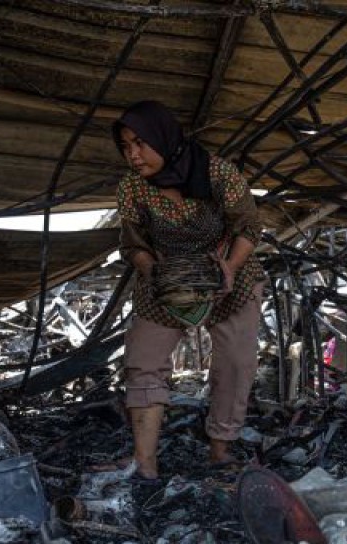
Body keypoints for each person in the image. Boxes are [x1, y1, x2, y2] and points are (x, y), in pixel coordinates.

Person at [102, 100, 264, 483]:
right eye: (125, 146)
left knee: (235, 362)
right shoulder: (131, 188)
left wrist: (229, 267)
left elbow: (248, 227)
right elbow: (133, 245)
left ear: (163, 138)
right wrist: (157, 273)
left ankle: (220, 451)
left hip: (228, 275)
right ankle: (145, 463)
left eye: (140, 143)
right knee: (143, 361)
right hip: (164, 281)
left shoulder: (217, 173)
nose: (133, 155)